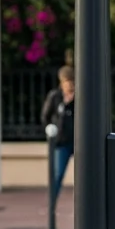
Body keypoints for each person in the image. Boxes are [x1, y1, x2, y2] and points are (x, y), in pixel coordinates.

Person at [41, 66, 75, 203]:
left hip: (78, 140)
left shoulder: (81, 97)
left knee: (86, 173)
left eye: (72, 82)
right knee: (58, 174)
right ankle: (52, 203)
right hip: (61, 141)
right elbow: (45, 116)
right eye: (67, 82)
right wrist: (50, 129)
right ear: (62, 83)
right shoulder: (55, 97)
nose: (70, 86)